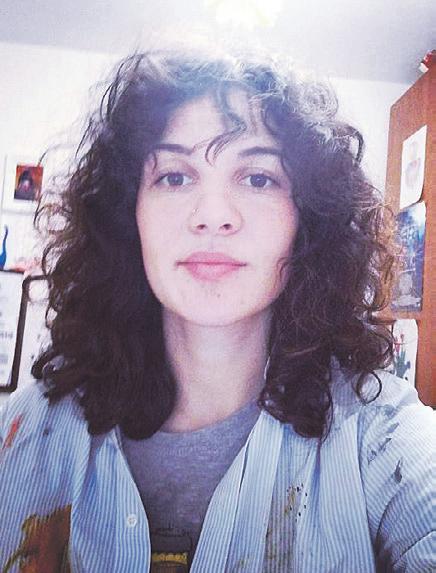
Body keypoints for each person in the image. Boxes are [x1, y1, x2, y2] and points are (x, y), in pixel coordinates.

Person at [0, 47, 435, 573]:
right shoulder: (24, 430)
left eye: (257, 178)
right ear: (128, 213)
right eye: (174, 177)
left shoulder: (379, 431)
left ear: (307, 218)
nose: (212, 215)